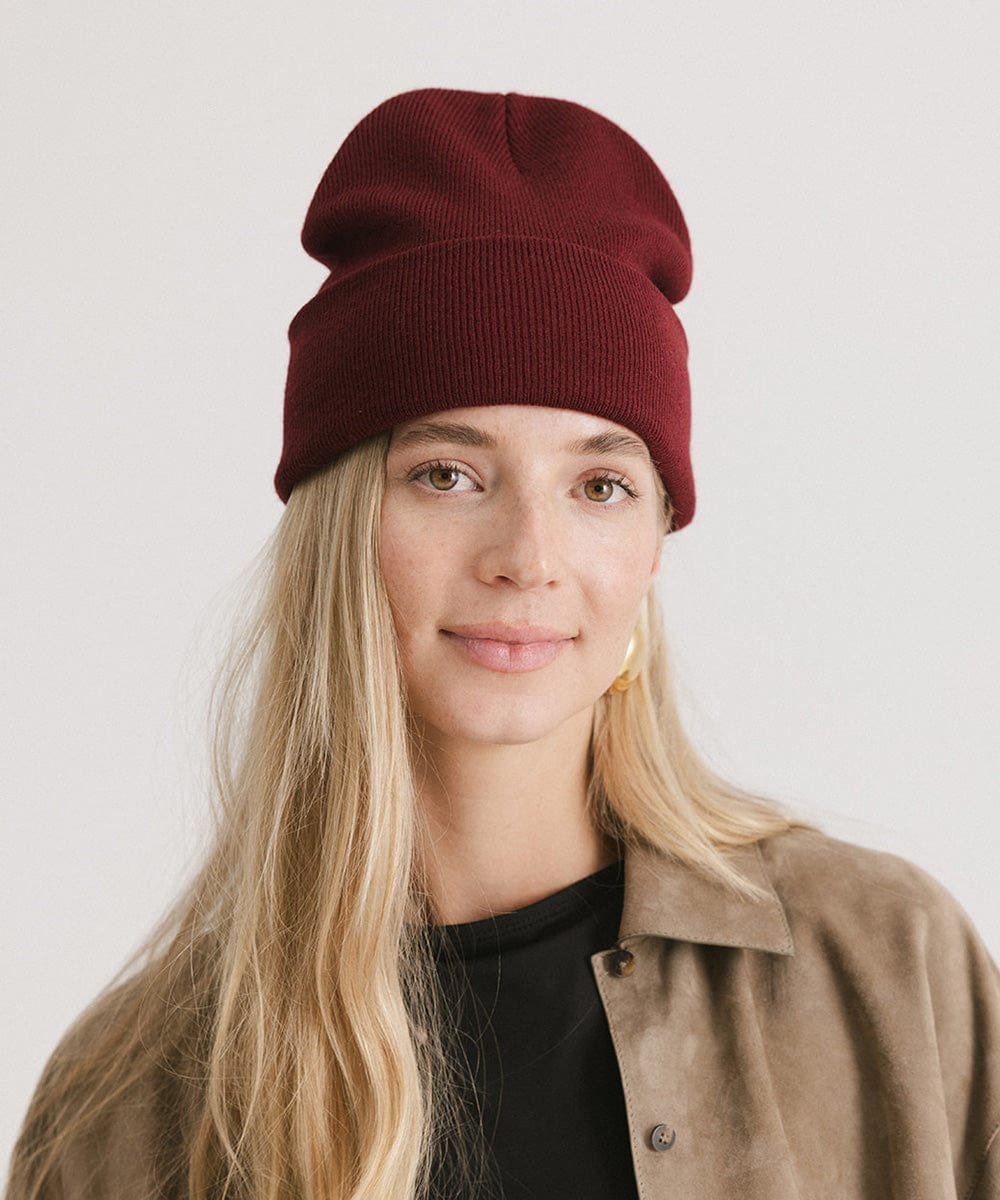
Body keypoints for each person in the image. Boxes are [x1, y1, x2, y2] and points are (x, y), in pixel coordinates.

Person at [6, 86, 999, 1200]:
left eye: (601, 484)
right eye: (448, 474)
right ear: (339, 534)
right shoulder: (128, 1107)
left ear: (654, 550)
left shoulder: (888, 969)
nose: (528, 554)